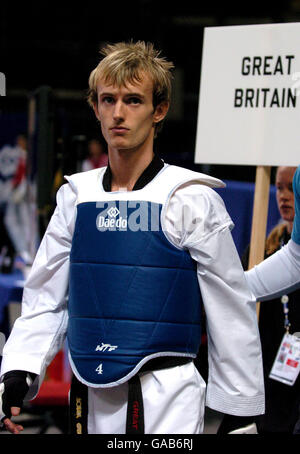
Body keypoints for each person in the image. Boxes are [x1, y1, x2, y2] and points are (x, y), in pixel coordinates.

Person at [0, 41, 265, 435]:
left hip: (167, 396)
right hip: (89, 393)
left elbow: (230, 307)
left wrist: (241, 408)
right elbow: (45, 297)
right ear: (95, 108)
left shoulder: (190, 198)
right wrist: (20, 367)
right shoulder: (76, 197)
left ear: (159, 110)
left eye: (133, 100)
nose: (118, 113)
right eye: (108, 100)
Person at [218, 166, 300, 434]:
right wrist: (220, 289)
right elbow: (294, 260)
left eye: (291, 188)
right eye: (280, 187)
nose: (285, 196)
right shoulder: (264, 249)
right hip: (271, 367)